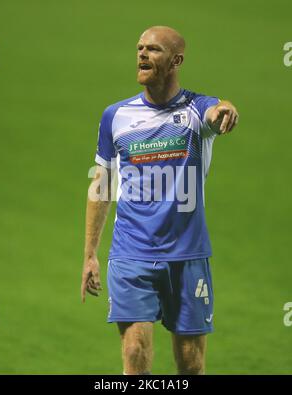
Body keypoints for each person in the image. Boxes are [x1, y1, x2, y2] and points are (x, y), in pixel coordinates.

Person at [81, 25, 239, 375]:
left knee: (191, 364)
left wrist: (227, 108)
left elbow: (218, 110)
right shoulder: (115, 117)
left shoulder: (197, 111)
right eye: (139, 48)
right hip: (131, 253)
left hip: (188, 255)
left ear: (176, 60)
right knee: (135, 354)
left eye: (153, 49)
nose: (142, 54)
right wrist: (90, 254)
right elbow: (101, 185)